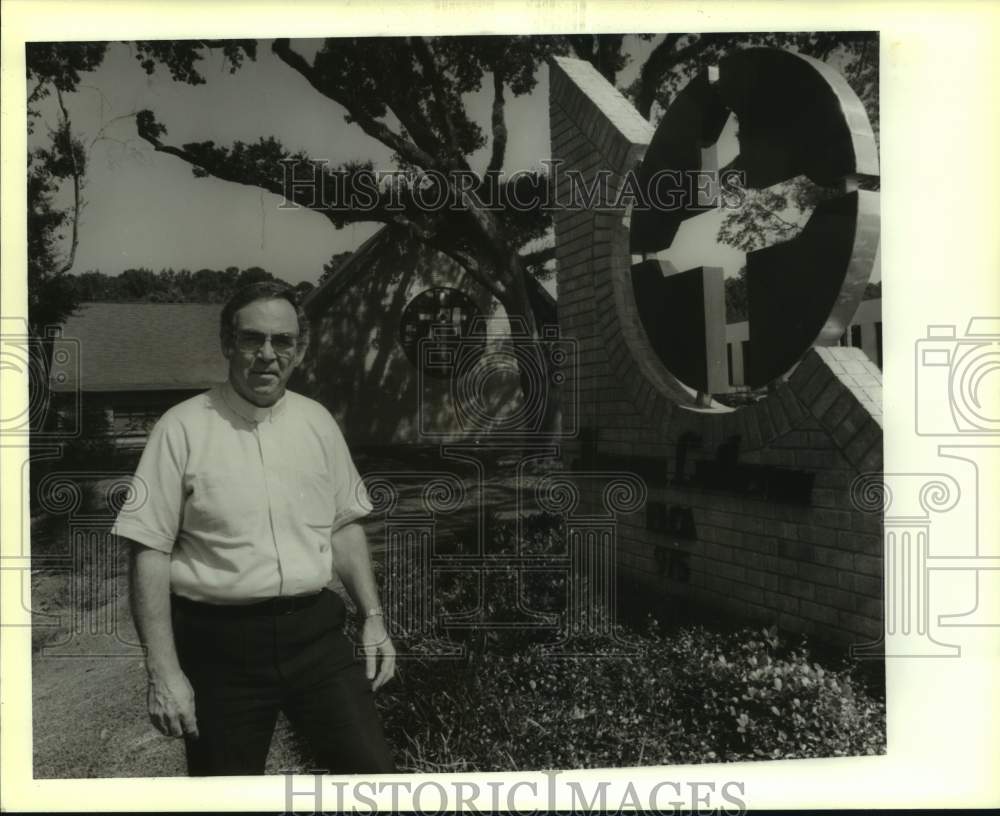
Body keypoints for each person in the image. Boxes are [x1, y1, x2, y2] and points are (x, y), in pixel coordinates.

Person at [112, 281, 396, 776]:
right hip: (222, 651)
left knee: (372, 781)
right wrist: (163, 670)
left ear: (299, 349)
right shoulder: (180, 429)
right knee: (225, 797)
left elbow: (344, 525)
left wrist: (372, 615)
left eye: (282, 341)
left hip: (316, 639)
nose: (268, 354)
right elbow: (148, 550)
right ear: (228, 343)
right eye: (252, 339)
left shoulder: (318, 423)